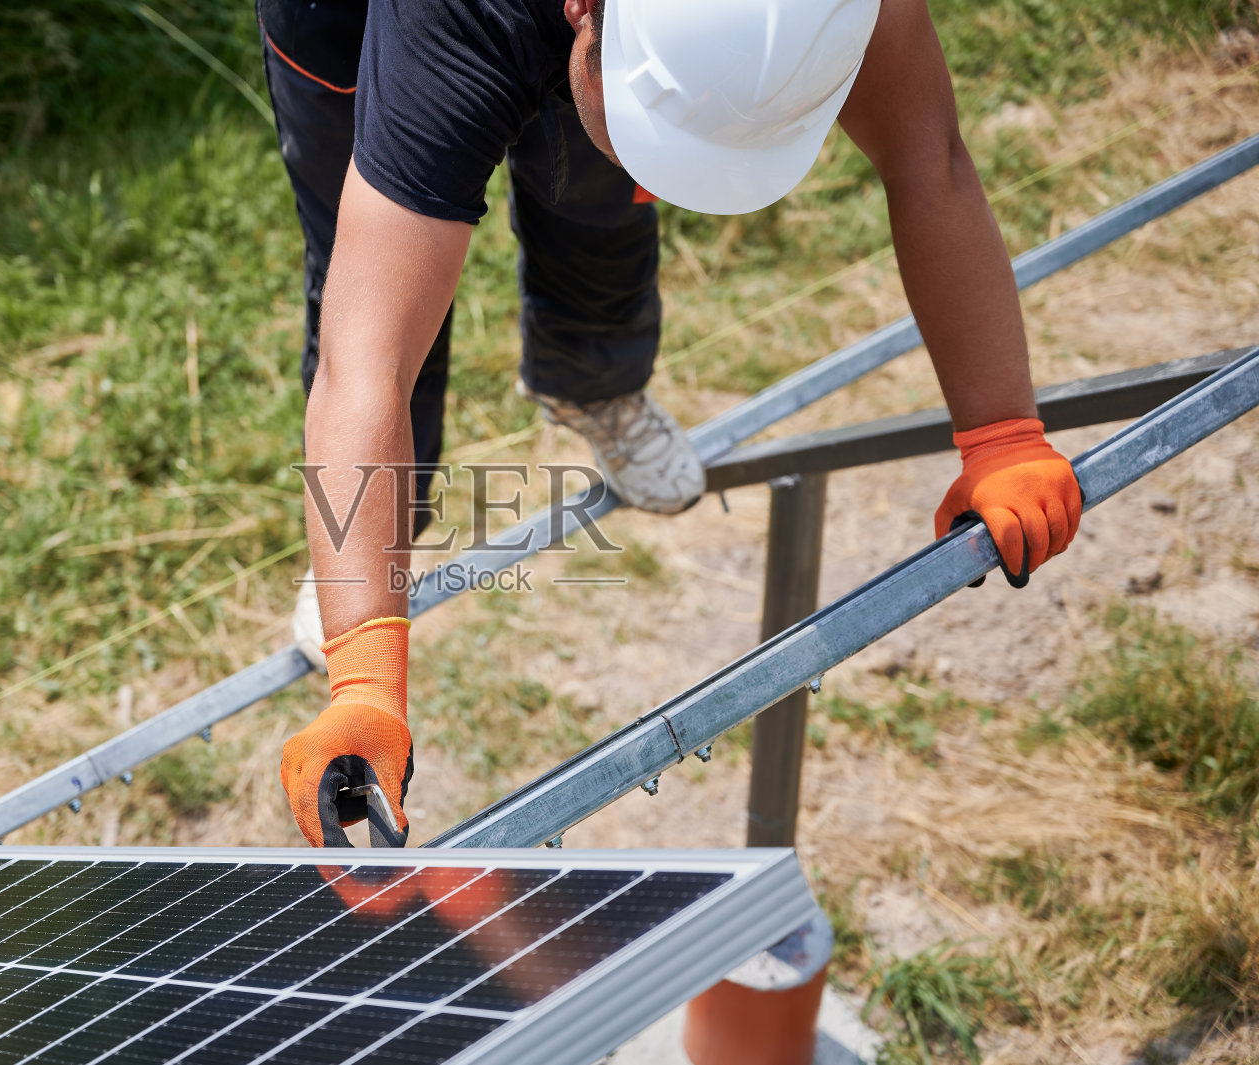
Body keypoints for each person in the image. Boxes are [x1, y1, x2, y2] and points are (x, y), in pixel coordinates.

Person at [263, 0, 1084, 848]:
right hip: (349, 28)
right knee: (375, 277)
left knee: (597, 206)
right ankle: (364, 567)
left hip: (600, 46)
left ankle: (592, 389)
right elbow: (369, 364)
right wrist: (365, 678)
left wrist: (1002, 434)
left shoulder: (824, 10)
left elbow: (932, 162)